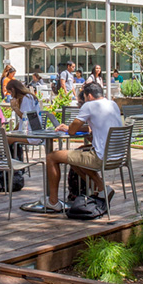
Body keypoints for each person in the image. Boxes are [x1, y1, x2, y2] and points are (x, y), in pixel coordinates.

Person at [44, 80, 121, 211]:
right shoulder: (112, 104)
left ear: (89, 96)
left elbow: (72, 131)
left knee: (52, 157)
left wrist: (67, 127)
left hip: (100, 157)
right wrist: (77, 128)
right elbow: (95, 127)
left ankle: (53, 202)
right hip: (118, 156)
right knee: (77, 155)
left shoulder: (89, 105)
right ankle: (102, 188)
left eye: (84, 98)